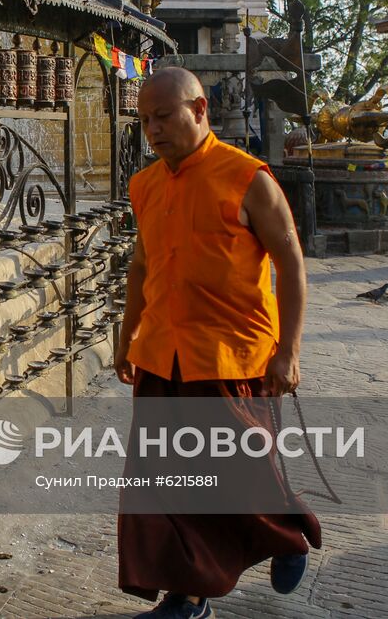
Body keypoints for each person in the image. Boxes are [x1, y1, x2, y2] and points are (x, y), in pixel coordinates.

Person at [114, 67, 321, 619]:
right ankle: (188, 596)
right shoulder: (145, 184)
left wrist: (290, 350)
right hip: (162, 352)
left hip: (232, 353)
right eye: (145, 120)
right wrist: (127, 332)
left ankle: (285, 532)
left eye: (164, 116)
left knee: (239, 473)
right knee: (164, 484)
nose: (153, 130)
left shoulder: (247, 177)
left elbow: (290, 263)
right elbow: (141, 266)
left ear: (200, 111)